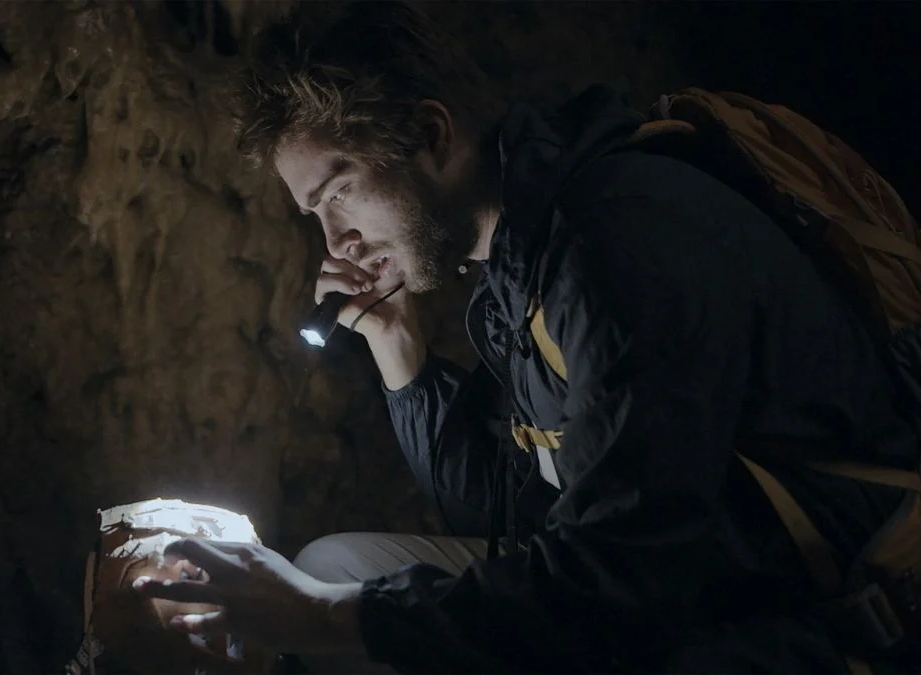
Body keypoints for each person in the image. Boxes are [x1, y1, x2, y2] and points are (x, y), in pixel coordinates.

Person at [135, 2, 919, 672]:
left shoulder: (618, 244)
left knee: (338, 600)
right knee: (335, 566)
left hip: (805, 605)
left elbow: (619, 583)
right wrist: (398, 352)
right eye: (316, 215)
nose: (336, 242)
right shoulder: (519, 267)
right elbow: (510, 516)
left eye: (340, 192)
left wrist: (327, 618)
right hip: (689, 574)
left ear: (431, 135)